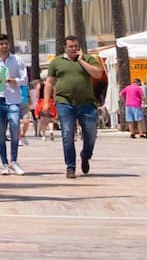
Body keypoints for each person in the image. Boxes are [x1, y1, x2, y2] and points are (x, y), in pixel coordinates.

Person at [45, 35, 106, 179]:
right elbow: (49, 82)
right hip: (64, 102)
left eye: (76, 46)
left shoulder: (88, 59)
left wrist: (81, 61)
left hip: (87, 103)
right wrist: (47, 101)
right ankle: (70, 166)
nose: (74, 49)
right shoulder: (56, 62)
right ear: (65, 48)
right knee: (67, 133)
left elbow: (97, 74)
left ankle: (85, 155)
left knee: (91, 135)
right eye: (71, 47)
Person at [0, 34, 28, 175]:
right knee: (1, 133)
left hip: (13, 99)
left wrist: (13, 80)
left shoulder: (17, 60)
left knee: (15, 127)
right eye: (1, 44)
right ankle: (4, 163)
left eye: (6, 44)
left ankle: (14, 161)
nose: (4, 46)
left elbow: (25, 79)